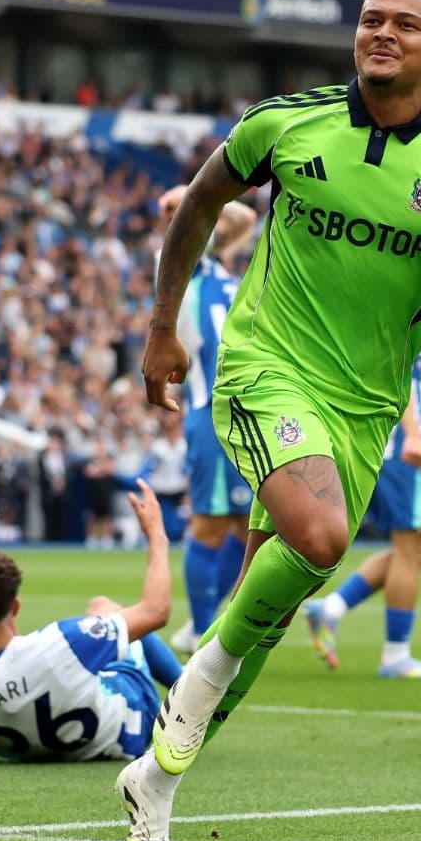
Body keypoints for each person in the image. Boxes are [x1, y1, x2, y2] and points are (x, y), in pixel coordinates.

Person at [120, 0, 421, 841]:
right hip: (265, 366)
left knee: (277, 590)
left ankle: (155, 780)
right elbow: (199, 204)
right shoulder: (286, 122)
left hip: (367, 406)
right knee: (318, 536)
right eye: (371, 19)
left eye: (405, 26)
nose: (381, 34)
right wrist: (161, 328)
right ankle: (190, 693)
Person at [0, 480, 182, 762]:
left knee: (87, 660)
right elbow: (156, 612)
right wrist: (157, 536)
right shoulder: (62, 642)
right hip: (132, 724)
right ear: (15, 606)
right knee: (103, 607)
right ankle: (190, 688)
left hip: (65, 732)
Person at [155, 185, 257, 655]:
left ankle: (211, 617)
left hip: (247, 409)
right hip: (212, 411)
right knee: (211, 523)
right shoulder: (175, 263)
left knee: (244, 523)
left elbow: (246, 219)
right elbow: (186, 208)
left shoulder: (218, 266)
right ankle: (199, 628)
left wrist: (210, 195)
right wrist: (195, 194)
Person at [305, 353, 421, 678]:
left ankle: (330, 609)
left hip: (390, 442)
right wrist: (413, 432)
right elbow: (396, 368)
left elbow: (405, 367)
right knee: (411, 550)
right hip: (399, 444)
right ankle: (396, 655)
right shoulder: (413, 301)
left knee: (409, 551)